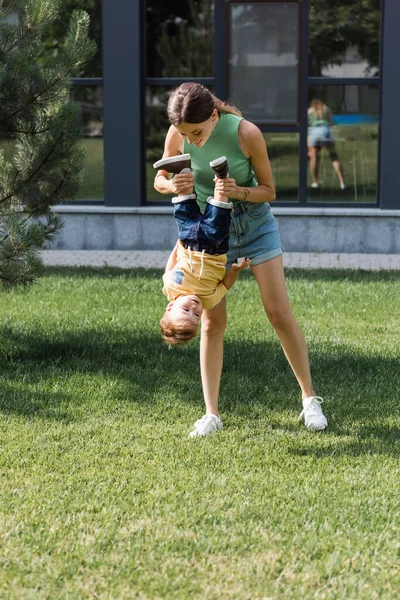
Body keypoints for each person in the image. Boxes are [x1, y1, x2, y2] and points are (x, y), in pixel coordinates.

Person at [154, 82, 327, 437]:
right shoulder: (178, 131)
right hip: (210, 237)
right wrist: (172, 187)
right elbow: (160, 178)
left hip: (255, 226)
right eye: (187, 135)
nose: (193, 141)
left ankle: (310, 400)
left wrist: (238, 191)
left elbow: (270, 191)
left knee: (278, 313)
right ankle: (211, 414)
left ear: (214, 116)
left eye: (198, 133)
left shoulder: (246, 133)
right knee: (212, 324)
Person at [155, 154, 250, 346]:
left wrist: (177, 246)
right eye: (196, 315)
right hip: (214, 244)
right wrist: (236, 270)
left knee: (184, 206)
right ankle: (222, 175)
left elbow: (170, 268)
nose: (194, 308)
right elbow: (225, 286)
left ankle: (183, 169)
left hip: (188, 239)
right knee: (219, 208)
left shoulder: (170, 288)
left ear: (171, 306)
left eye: (185, 310)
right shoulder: (208, 300)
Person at [307, 99, 346, 190]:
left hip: (314, 132)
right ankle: (342, 182)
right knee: (334, 156)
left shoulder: (309, 111)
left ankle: (315, 182)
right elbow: (331, 123)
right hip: (326, 131)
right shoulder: (326, 109)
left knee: (314, 158)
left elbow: (306, 124)